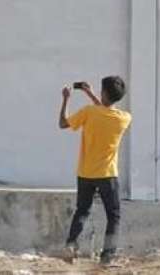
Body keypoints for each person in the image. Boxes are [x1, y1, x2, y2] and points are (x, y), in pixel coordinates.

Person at [59, 76, 131, 265]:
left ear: (104, 93)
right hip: (107, 175)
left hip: (85, 173)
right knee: (113, 215)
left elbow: (63, 123)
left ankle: (71, 244)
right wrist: (90, 93)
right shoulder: (124, 118)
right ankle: (107, 257)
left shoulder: (89, 112)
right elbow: (105, 111)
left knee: (82, 211)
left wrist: (66, 99)